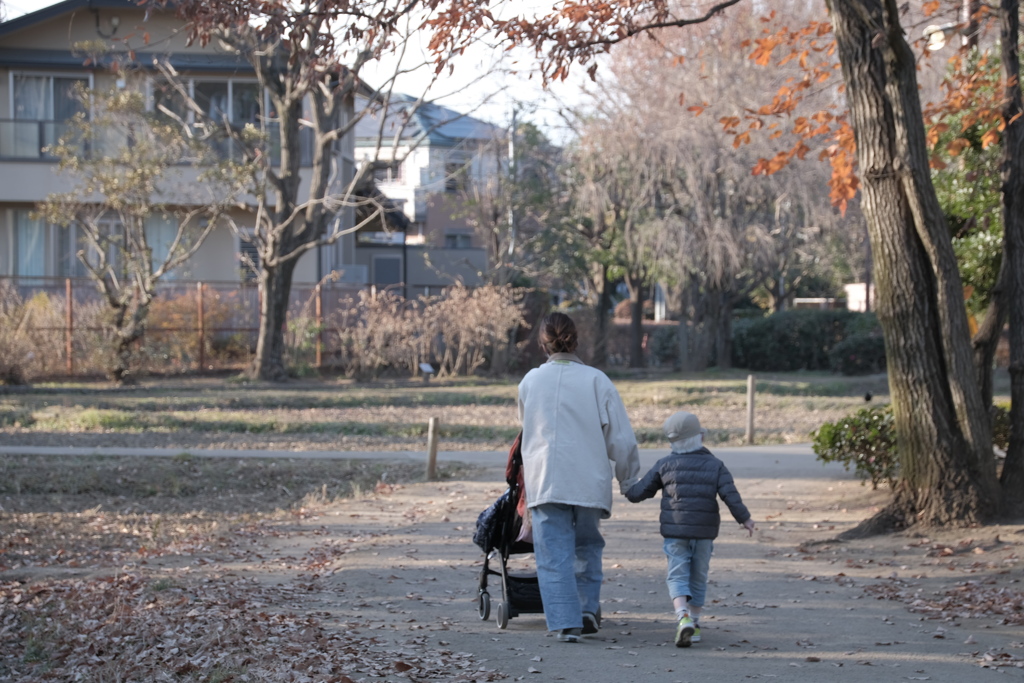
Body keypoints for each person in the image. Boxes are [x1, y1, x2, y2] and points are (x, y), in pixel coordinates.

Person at [517, 312, 641, 643]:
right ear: (576, 340)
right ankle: (587, 608)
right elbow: (621, 438)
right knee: (587, 546)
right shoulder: (597, 380)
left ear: (542, 343)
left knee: (552, 555)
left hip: (545, 478)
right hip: (588, 480)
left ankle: (564, 621)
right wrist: (627, 480)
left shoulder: (530, 382)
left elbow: (525, 429)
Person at [625, 410, 755, 648]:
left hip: (675, 532)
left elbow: (638, 493)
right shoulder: (715, 465)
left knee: (677, 574)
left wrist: (626, 484)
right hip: (704, 533)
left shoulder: (664, 465)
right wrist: (744, 519)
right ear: (701, 437)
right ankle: (694, 623)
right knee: (699, 575)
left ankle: (681, 616)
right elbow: (730, 495)